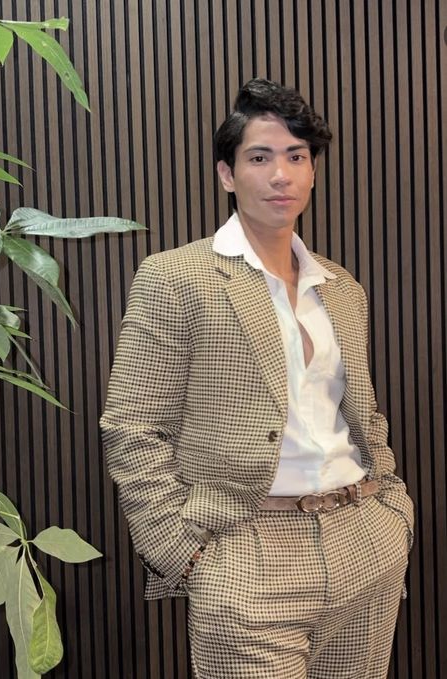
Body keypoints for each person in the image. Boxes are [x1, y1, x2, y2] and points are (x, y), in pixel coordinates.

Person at [100, 78, 414, 678]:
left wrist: (393, 510)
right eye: (260, 157)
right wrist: (183, 554)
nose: (280, 175)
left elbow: (361, 412)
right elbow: (133, 425)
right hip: (247, 552)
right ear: (227, 174)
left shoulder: (342, 288)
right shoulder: (175, 277)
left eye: (296, 157)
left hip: (365, 536)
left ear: (313, 171)